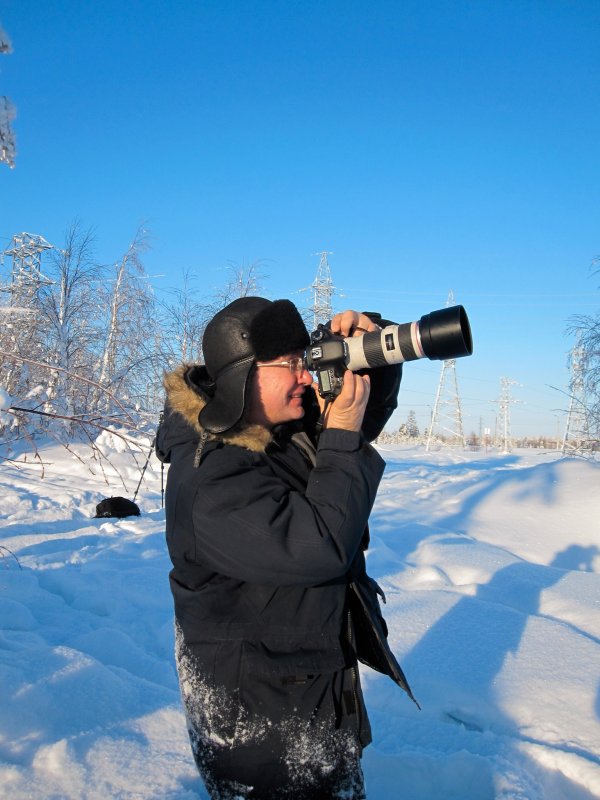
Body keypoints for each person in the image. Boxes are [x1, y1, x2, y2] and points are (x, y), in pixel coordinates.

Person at [156, 297, 417, 800]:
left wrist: (370, 344)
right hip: (261, 726)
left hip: (305, 690)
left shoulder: (273, 433)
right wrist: (340, 431)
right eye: (293, 364)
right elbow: (315, 545)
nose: (306, 375)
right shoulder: (210, 474)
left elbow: (348, 434)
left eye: (307, 359)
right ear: (243, 375)